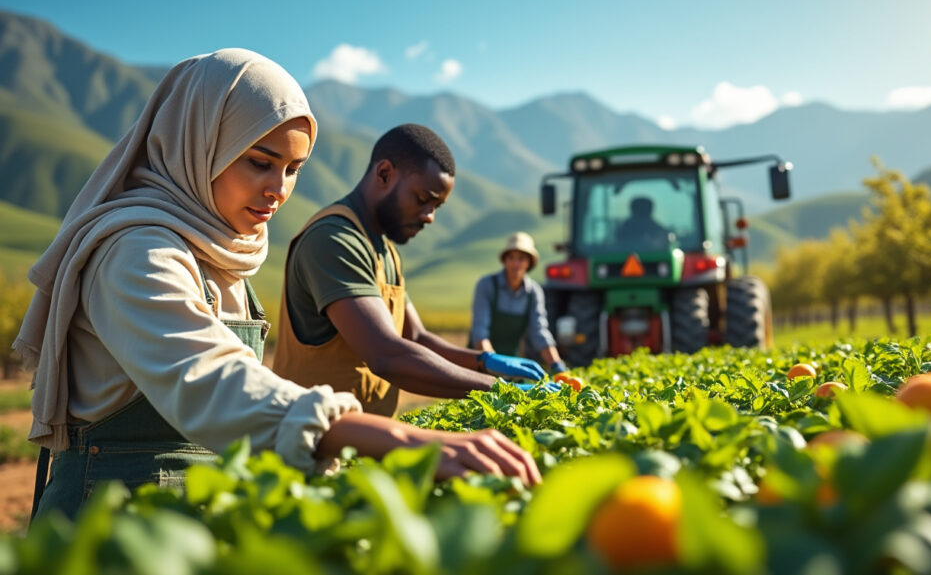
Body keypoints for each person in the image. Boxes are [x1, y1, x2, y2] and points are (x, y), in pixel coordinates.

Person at [15, 49, 540, 522]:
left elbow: (410, 337)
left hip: (192, 510)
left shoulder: (220, 255)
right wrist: (394, 436)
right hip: (109, 523)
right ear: (200, 143)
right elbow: (211, 378)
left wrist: (489, 367)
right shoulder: (134, 252)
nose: (279, 190)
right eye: (261, 163)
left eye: (293, 169)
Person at [273, 124, 550, 417]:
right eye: (422, 199)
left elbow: (415, 337)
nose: (429, 217)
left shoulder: (385, 250)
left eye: (437, 207)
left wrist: (484, 360)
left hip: (362, 438)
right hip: (308, 440)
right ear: (384, 174)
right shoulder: (333, 240)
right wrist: (499, 389)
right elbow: (386, 355)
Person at [469, 232, 568, 374]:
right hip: (481, 361)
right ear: (505, 260)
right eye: (511, 258)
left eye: (521, 259)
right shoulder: (487, 285)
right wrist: (492, 362)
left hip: (512, 362)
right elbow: (480, 332)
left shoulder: (534, 292)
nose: (516, 264)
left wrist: (556, 364)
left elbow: (539, 332)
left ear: (529, 263)